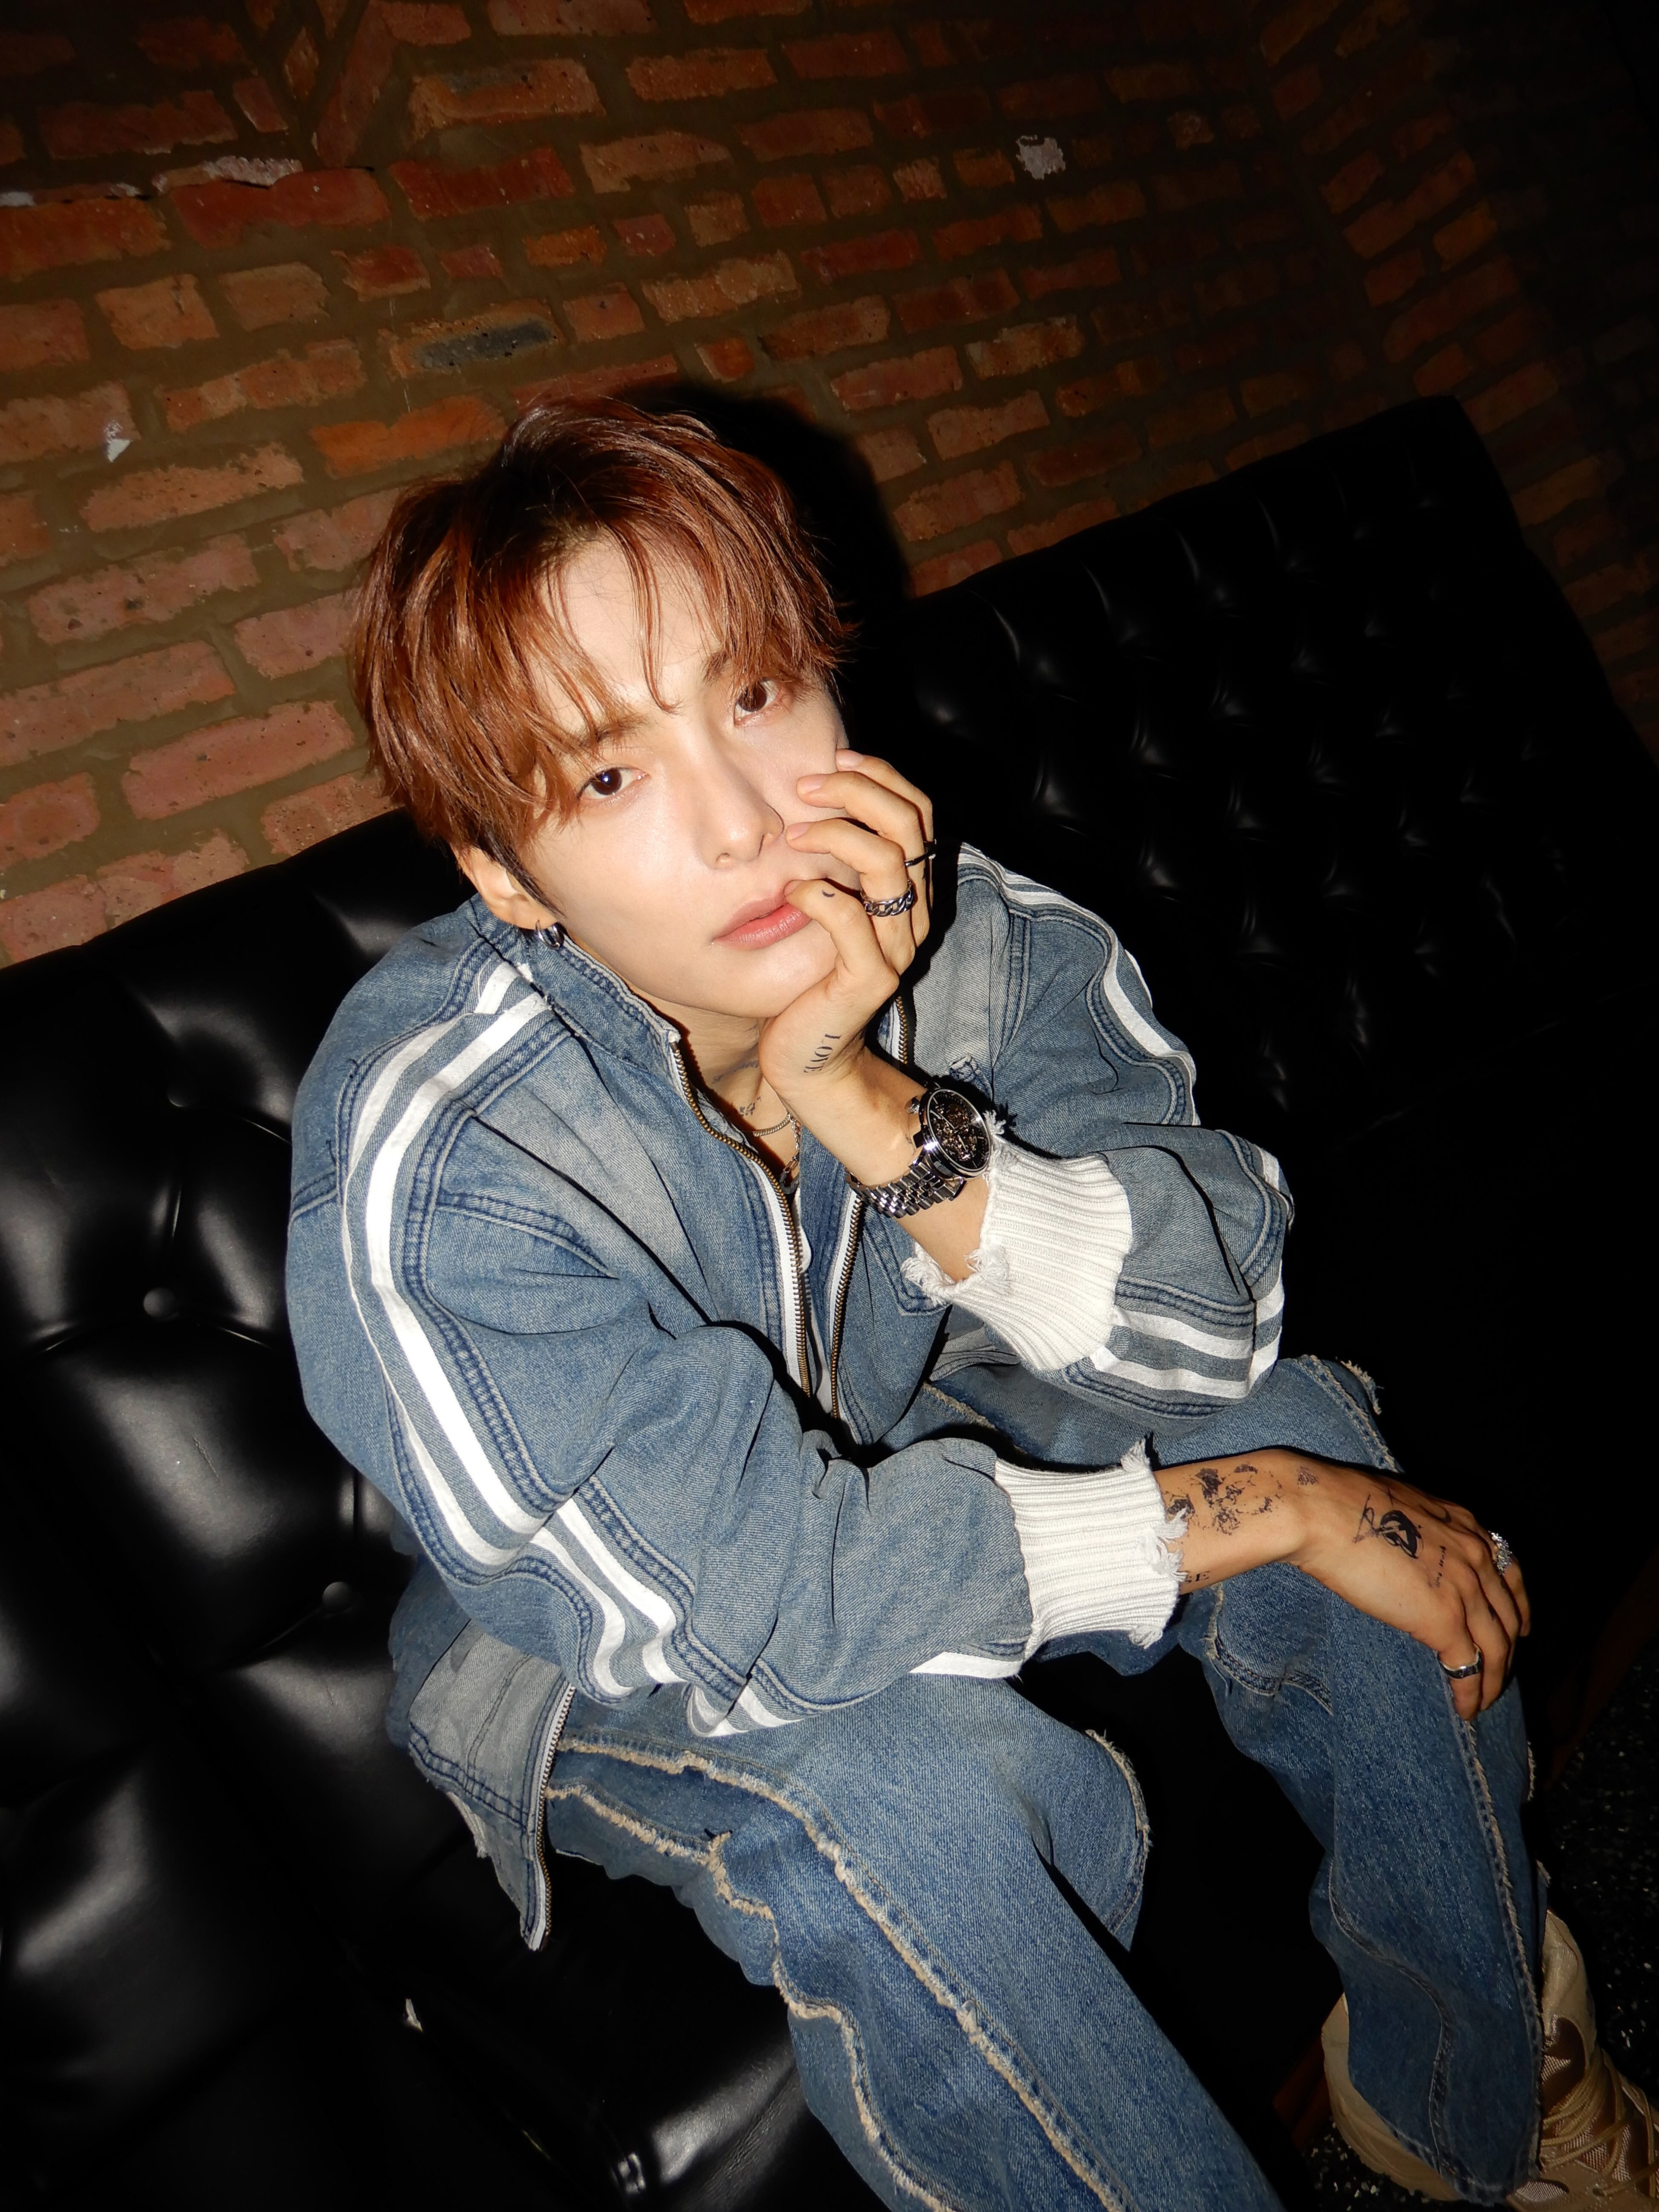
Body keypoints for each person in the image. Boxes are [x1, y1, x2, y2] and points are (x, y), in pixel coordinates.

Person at [287, 399, 1655, 2211]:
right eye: (609, 776)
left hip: (916, 1409)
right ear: (500, 873)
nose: (744, 821)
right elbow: (760, 1600)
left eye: (756, 692)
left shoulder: (969, 934)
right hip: (600, 1621)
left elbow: (1216, 1313)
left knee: (1305, 1424)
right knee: (917, 1800)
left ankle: (1477, 2097)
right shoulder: (444, 1150)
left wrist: (862, 1093)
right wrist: (1275, 1510)